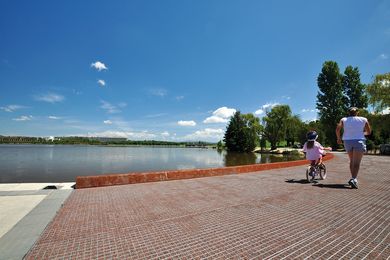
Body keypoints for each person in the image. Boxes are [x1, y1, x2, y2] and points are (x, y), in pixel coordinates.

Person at [336, 107, 372, 189]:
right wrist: (362, 133)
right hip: (359, 141)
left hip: (347, 141)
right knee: (356, 162)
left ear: (349, 112)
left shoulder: (343, 119)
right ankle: (354, 179)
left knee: (352, 161)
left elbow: (338, 128)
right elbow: (369, 132)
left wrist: (338, 138)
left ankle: (353, 178)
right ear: (357, 112)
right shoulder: (363, 119)